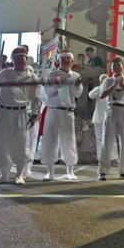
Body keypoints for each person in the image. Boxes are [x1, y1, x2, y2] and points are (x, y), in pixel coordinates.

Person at [0, 47, 41, 184]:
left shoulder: (32, 77)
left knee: (21, 144)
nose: (19, 60)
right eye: (16, 58)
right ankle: (4, 175)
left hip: (21, 113)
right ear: (13, 60)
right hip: (3, 112)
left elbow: (36, 98)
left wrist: (35, 114)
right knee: (2, 143)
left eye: (22, 57)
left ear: (26, 59)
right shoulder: (5, 74)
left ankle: (20, 175)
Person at [41, 51, 83, 181]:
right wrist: (56, 84)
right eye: (62, 59)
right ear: (58, 61)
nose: (65, 61)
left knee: (68, 140)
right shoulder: (51, 75)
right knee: (49, 139)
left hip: (67, 111)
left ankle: (70, 170)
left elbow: (78, 94)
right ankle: (49, 171)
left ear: (71, 61)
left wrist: (76, 86)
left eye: (68, 59)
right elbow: (48, 92)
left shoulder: (75, 76)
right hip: (52, 110)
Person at [97, 57, 124, 181]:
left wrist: (122, 84)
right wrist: (114, 85)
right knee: (107, 141)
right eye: (113, 66)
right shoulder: (108, 81)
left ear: (122, 66)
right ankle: (102, 171)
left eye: (118, 65)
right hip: (111, 110)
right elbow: (102, 95)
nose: (116, 67)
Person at [88, 74, 112, 164]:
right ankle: (100, 158)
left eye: (105, 80)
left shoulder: (111, 89)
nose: (103, 81)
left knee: (110, 138)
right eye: (102, 80)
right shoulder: (98, 89)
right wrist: (101, 87)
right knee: (99, 139)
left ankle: (112, 158)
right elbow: (90, 95)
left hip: (109, 117)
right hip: (98, 117)